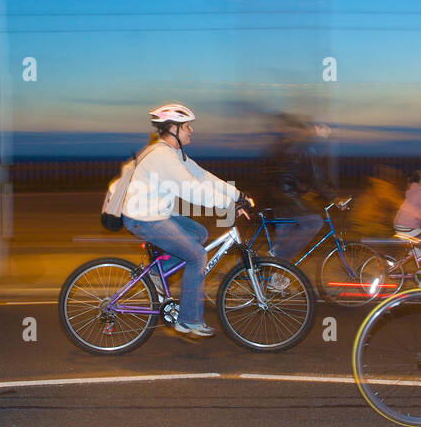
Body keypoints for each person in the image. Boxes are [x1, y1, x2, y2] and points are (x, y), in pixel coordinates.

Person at [120, 103, 251, 338]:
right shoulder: (162, 156)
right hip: (144, 218)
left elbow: (202, 176)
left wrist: (238, 195)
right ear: (173, 128)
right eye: (187, 126)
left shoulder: (174, 154)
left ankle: (157, 272)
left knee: (199, 234)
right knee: (197, 255)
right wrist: (227, 205)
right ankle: (188, 321)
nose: (191, 131)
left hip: (156, 213)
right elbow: (191, 190)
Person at [263, 115, 337, 263]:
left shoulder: (290, 143)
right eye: (325, 128)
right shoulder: (307, 145)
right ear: (317, 128)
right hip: (287, 197)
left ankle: (273, 276)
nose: (328, 131)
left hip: (277, 196)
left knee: (284, 239)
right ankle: (277, 257)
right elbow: (316, 174)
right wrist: (332, 197)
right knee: (314, 222)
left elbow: (300, 171)